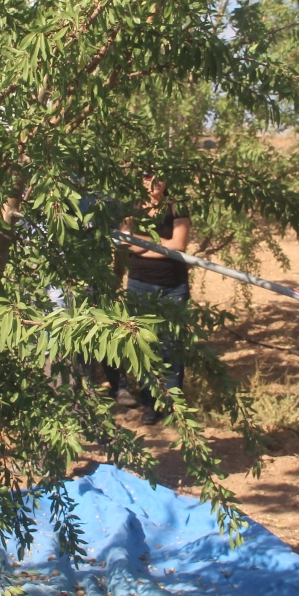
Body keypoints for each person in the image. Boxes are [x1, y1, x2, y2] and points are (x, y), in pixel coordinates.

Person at [120, 175, 190, 426]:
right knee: (144, 347)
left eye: (160, 176)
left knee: (172, 347)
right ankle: (150, 405)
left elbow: (179, 245)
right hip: (140, 285)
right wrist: (164, 246)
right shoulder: (132, 207)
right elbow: (125, 242)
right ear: (140, 180)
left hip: (173, 287)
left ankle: (173, 406)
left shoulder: (177, 206)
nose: (155, 181)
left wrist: (142, 243)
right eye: (148, 176)